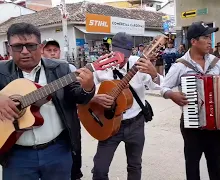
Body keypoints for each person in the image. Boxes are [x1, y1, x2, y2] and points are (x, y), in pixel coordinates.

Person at [160, 21, 220, 180]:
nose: (210, 40)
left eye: (210, 36)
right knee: (192, 167)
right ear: (194, 41)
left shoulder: (216, 62)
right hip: (191, 126)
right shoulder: (180, 66)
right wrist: (172, 95)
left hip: (216, 126)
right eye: (206, 37)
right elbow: (164, 87)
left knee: (215, 167)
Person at [0, 22, 95, 179]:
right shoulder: (1, 71)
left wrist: (88, 87)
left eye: (30, 45)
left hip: (57, 151)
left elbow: (79, 97)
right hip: (15, 155)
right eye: (17, 47)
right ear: (9, 49)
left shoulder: (61, 69)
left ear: (40, 47)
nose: (24, 52)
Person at [91, 32, 164, 180]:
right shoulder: (102, 65)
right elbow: (84, 91)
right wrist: (95, 98)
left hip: (135, 124)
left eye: (125, 55)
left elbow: (161, 86)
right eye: (118, 54)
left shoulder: (140, 64)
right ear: (112, 49)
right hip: (109, 124)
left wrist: (154, 74)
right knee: (99, 169)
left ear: (131, 52)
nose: (121, 59)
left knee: (134, 165)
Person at [41, 38, 83, 180]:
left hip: (65, 124)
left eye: (55, 50)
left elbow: (77, 93)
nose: (52, 54)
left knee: (74, 155)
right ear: (42, 51)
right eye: (49, 50)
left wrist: (87, 89)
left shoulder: (67, 69)